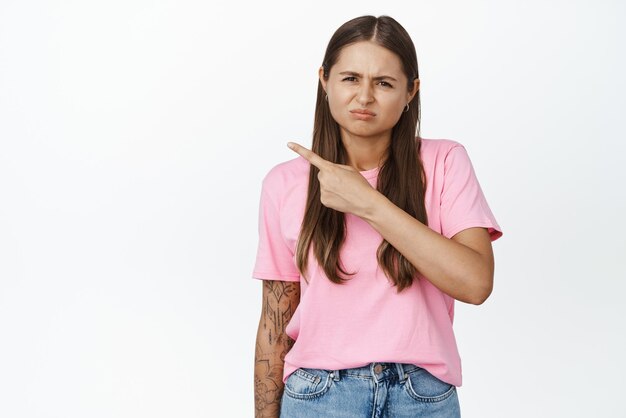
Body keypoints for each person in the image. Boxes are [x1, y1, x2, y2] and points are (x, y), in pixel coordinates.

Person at [252, 14, 503, 418]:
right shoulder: (284, 183)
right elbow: (273, 324)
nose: (364, 96)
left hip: (421, 397)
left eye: (383, 83)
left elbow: (475, 284)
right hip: (318, 396)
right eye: (350, 78)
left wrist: (368, 202)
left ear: (410, 92)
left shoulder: (444, 162)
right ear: (324, 80)